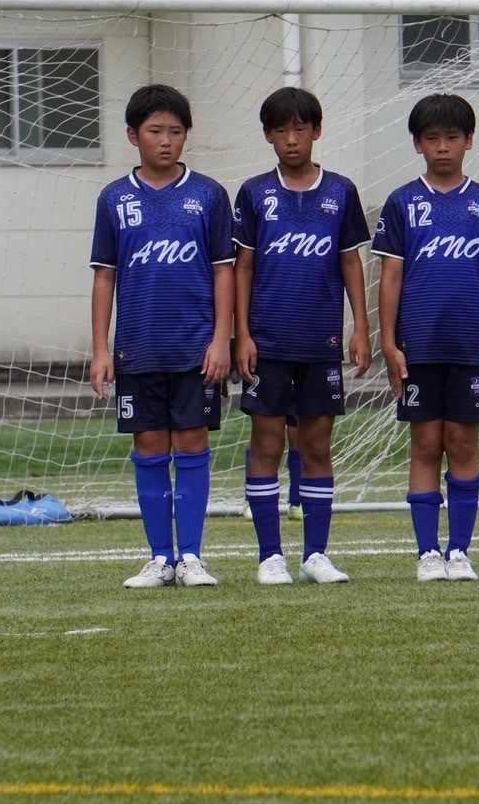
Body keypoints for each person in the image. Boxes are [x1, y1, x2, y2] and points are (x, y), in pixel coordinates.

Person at [90, 84, 234, 588]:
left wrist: (221, 339)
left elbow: (223, 270)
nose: (166, 140)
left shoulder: (208, 195)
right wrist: (100, 349)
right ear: (134, 136)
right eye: (155, 131)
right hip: (138, 347)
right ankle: (160, 558)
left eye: (176, 131)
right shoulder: (115, 199)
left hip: (196, 349)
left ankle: (191, 557)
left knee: (192, 442)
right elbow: (104, 275)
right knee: (149, 444)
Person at [371, 93, 479, 582]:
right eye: (432, 138)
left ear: (469, 141)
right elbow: (390, 277)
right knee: (427, 445)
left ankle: (459, 551)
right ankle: (427, 553)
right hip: (419, 347)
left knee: (463, 443)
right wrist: (388, 342)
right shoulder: (402, 203)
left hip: (470, 346)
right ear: (418, 144)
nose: (442, 147)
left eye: (452, 137)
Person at [233, 87, 372, 585]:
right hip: (267, 343)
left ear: (316, 131)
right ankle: (270, 557)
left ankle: (316, 555)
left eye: (300, 129)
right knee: (267, 445)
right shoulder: (254, 193)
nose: (291, 139)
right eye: (281, 130)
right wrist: (242, 334)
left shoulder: (341, 191)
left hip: (320, 344)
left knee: (316, 446)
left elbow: (350, 261)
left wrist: (361, 326)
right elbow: (243, 266)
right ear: (268, 135)